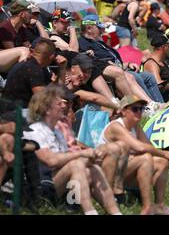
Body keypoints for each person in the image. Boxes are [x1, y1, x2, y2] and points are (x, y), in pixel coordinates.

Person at [23, 87, 121, 215]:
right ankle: (89, 212)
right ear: (47, 109)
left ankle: (115, 212)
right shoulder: (35, 131)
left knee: (91, 167)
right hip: (41, 188)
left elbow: (66, 156)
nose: (64, 105)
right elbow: (51, 161)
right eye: (59, 103)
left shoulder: (57, 131)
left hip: (59, 183)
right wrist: (81, 153)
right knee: (77, 164)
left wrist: (89, 158)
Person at [98, 95, 169, 215]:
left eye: (141, 109)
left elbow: (150, 147)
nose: (139, 112)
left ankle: (159, 205)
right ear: (123, 111)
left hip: (125, 169)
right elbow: (139, 147)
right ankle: (147, 208)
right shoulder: (116, 126)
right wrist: (165, 153)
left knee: (161, 162)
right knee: (146, 158)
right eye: (135, 109)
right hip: (107, 174)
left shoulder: (135, 127)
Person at [3, 38, 66, 108]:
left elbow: (58, 89)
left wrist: (62, 68)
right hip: (15, 114)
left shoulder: (32, 65)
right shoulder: (33, 69)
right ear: (51, 57)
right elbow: (42, 100)